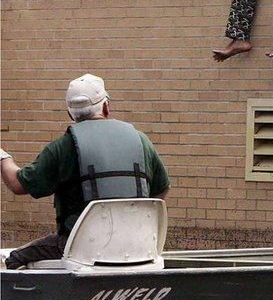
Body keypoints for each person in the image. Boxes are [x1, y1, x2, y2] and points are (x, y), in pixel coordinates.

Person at [0, 74, 169, 270]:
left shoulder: (63, 147)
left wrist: (3, 157)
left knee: (15, 258)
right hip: (141, 248)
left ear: (71, 113)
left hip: (82, 250)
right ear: (106, 106)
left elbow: (17, 184)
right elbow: (161, 190)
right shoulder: (141, 140)